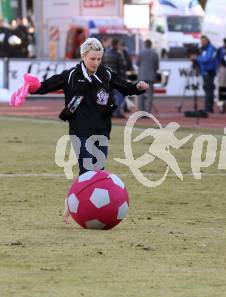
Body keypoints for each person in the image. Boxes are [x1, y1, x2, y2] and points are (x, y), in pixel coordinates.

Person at [27, 38, 149, 221]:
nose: (96, 62)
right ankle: (74, 207)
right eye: (93, 59)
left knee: (98, 170)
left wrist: (138, 87)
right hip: (79, 130)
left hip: (101, 130)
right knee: (87, 170)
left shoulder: (106, 74)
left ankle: (82, 206)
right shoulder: (71, 75)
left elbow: (125, 87)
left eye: (99, 59)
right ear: (83, 56)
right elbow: (47, 85)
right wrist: (33, 88)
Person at [102, 38, 126, 118]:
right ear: (116, 45)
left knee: (110, 95)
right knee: (120, 95)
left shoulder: (105, 53)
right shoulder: (117, 54)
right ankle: (117, 112)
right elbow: (121, 67)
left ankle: (110, 112)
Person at [137, 39, 159, 113]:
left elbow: (137, 63)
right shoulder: (154, 53)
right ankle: (148, 111)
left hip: (142, 76)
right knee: (150, 95)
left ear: (145, 44)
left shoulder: (141, 53)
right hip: (151, 76)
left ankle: (141, 110)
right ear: (151, 45)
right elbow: (156, 66)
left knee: (141, 95)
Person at [197, 35, 217, 113]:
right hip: (204, 71)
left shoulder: (210, 49)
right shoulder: (203, 49)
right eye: (201, 41)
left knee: (208, 89)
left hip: (209, 71)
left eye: (203, 41)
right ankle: (208, 107)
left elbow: (207, 59)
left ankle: (208, 107)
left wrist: (198, 58)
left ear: (207, 41)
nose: (202, 42)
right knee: (207, 88)